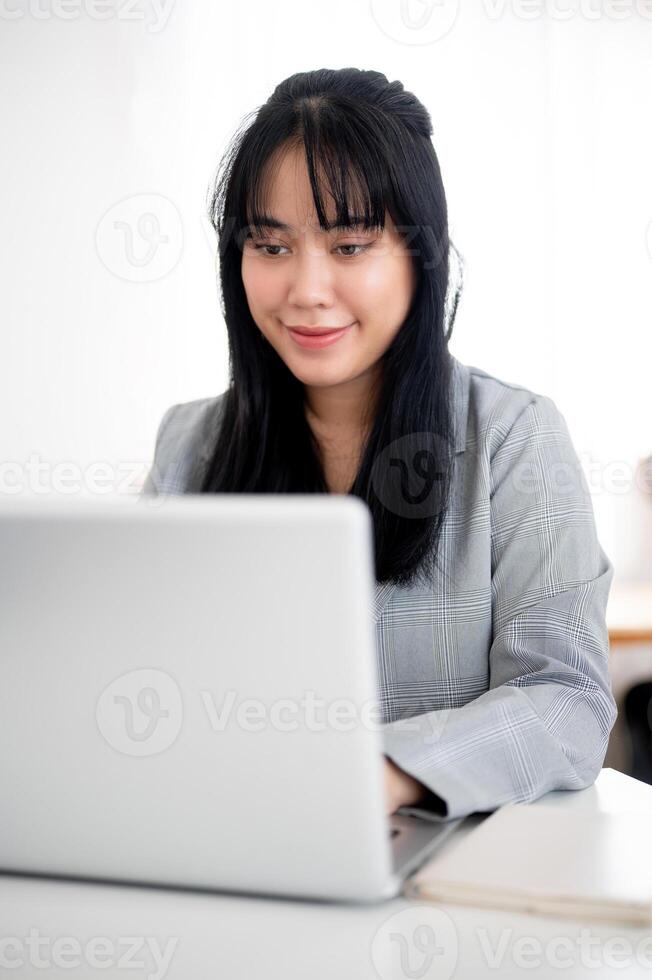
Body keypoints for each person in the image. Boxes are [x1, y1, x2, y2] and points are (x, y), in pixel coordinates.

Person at [142, 67, 617, 820]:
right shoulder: (190, 446)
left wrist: (381, 776)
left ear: (419, 256)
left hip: (445, 873)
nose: (306, 288)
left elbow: (566, 703)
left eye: (351, 245)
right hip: (236, 852)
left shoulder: (513, 440)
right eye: (269, 246)